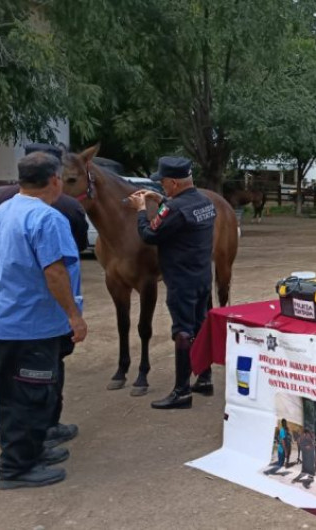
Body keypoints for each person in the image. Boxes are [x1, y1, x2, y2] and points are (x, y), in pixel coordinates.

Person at [0, 151, 87, 489]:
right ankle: (16, 469)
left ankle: (31, 450)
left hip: (6, 321)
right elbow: (55, 273)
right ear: (55, 180)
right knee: (30, 395)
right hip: (33, 325)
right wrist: (74, 315)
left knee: (17, 394)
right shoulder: (47, 218)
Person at [125, 156, 216, 409]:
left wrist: (141, 210)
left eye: (163, 183)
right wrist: (162, 199)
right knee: (200, 326)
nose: (162, 186)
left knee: (183, 332)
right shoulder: (205, 202)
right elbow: (185, 217)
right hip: (201, 276)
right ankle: (205, 377)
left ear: (174, 182)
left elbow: (149, 235)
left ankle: (181, 391)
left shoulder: (173, 209)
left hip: (181, 279)